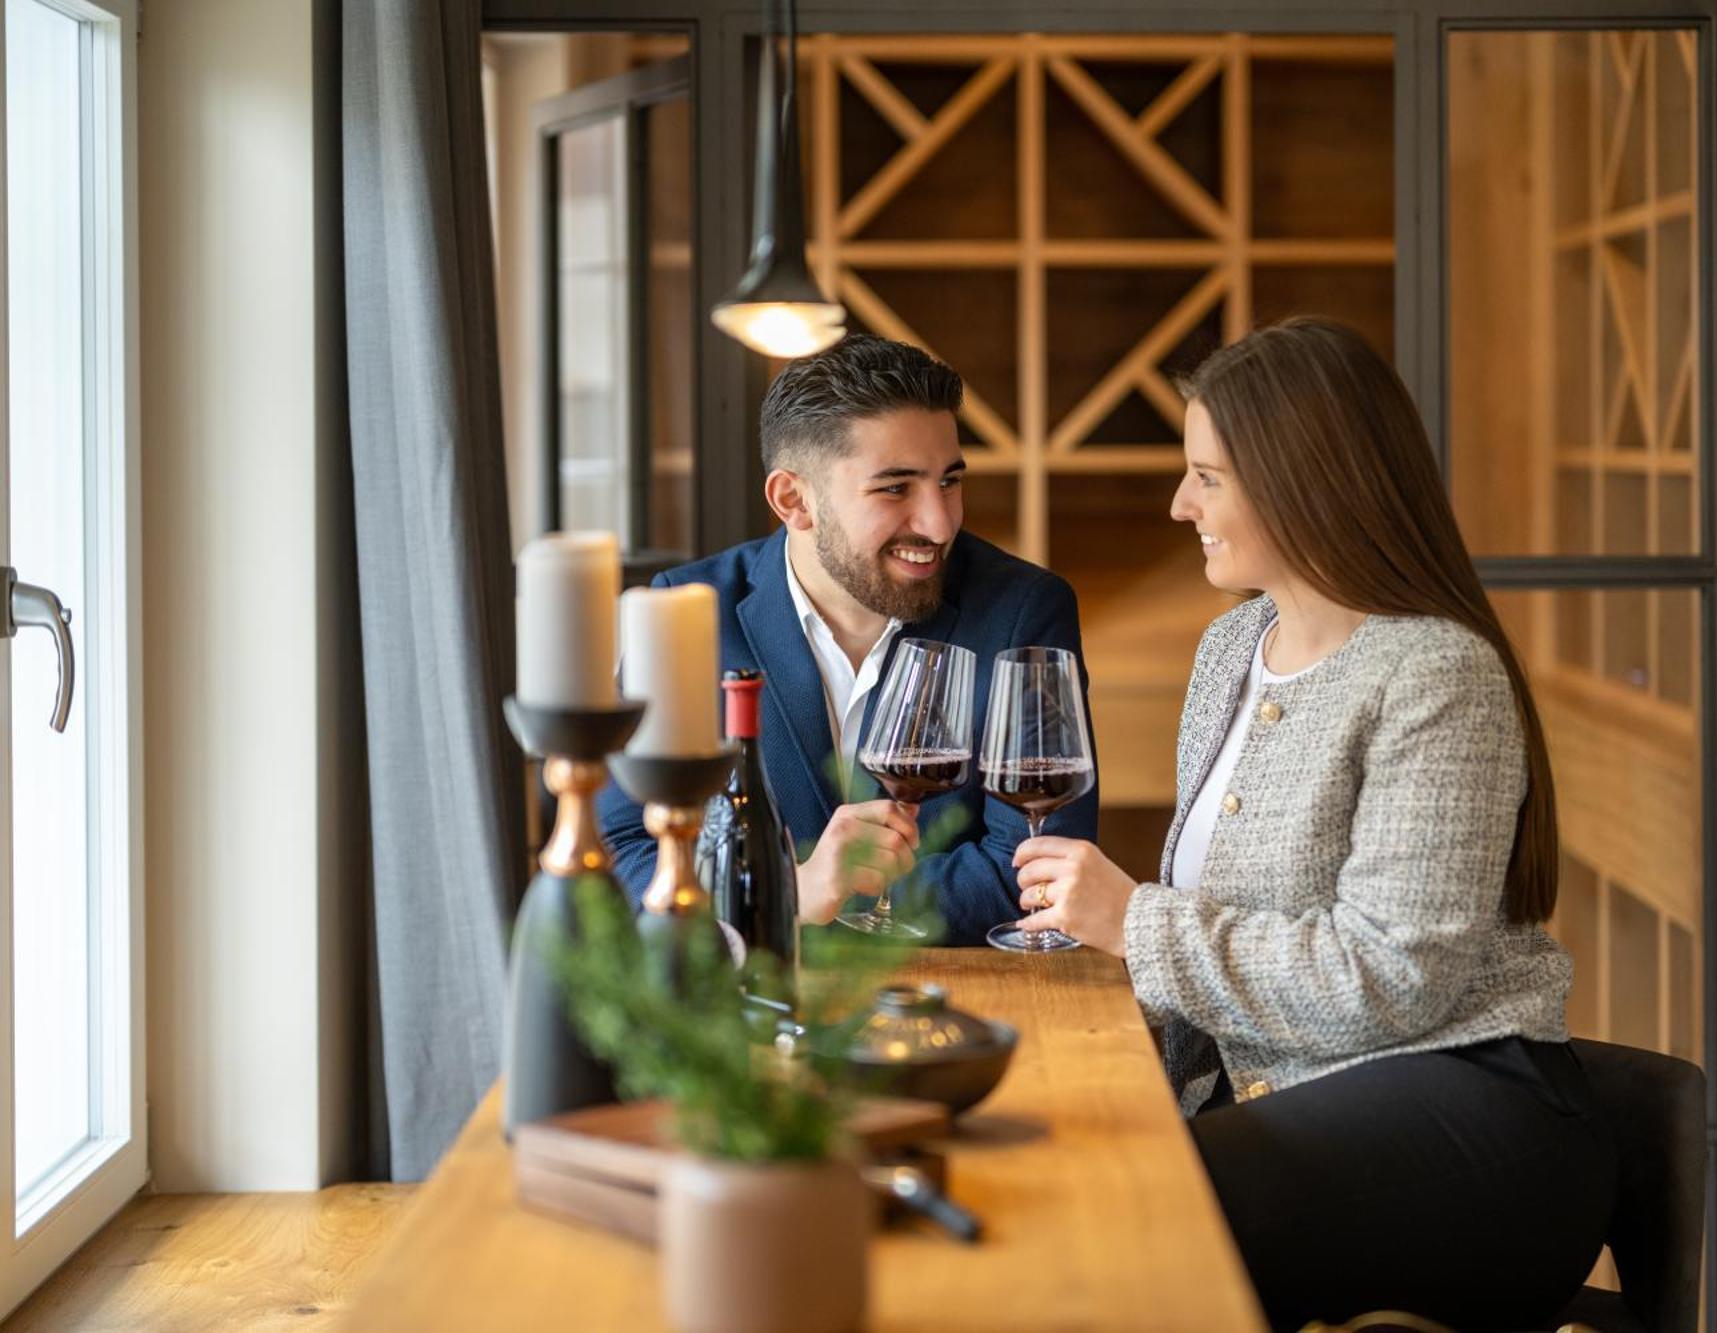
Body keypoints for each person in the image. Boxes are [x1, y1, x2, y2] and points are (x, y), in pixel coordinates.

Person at [1006, 318, 1615, 1330]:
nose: (1177, 503)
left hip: (1474, 1118)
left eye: (1205, 475)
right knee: (1066, 1173)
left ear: (1300, 479)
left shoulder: (1432, 673)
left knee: (1128, 1216)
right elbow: (1218, 951)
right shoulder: (1230, 646)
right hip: (1292, 1109)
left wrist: (1135, 921)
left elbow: (1393, 977)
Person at [600, 334, 1097, 945]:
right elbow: (624, 850)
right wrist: (793, 892)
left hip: (961, 1001)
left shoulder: (1024, 610)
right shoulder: (688, 611)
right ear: (794, 499)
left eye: (949, 481)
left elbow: (1036, 867)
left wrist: (825, 907)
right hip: (744, 1004)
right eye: (895, 488)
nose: (940, 523)